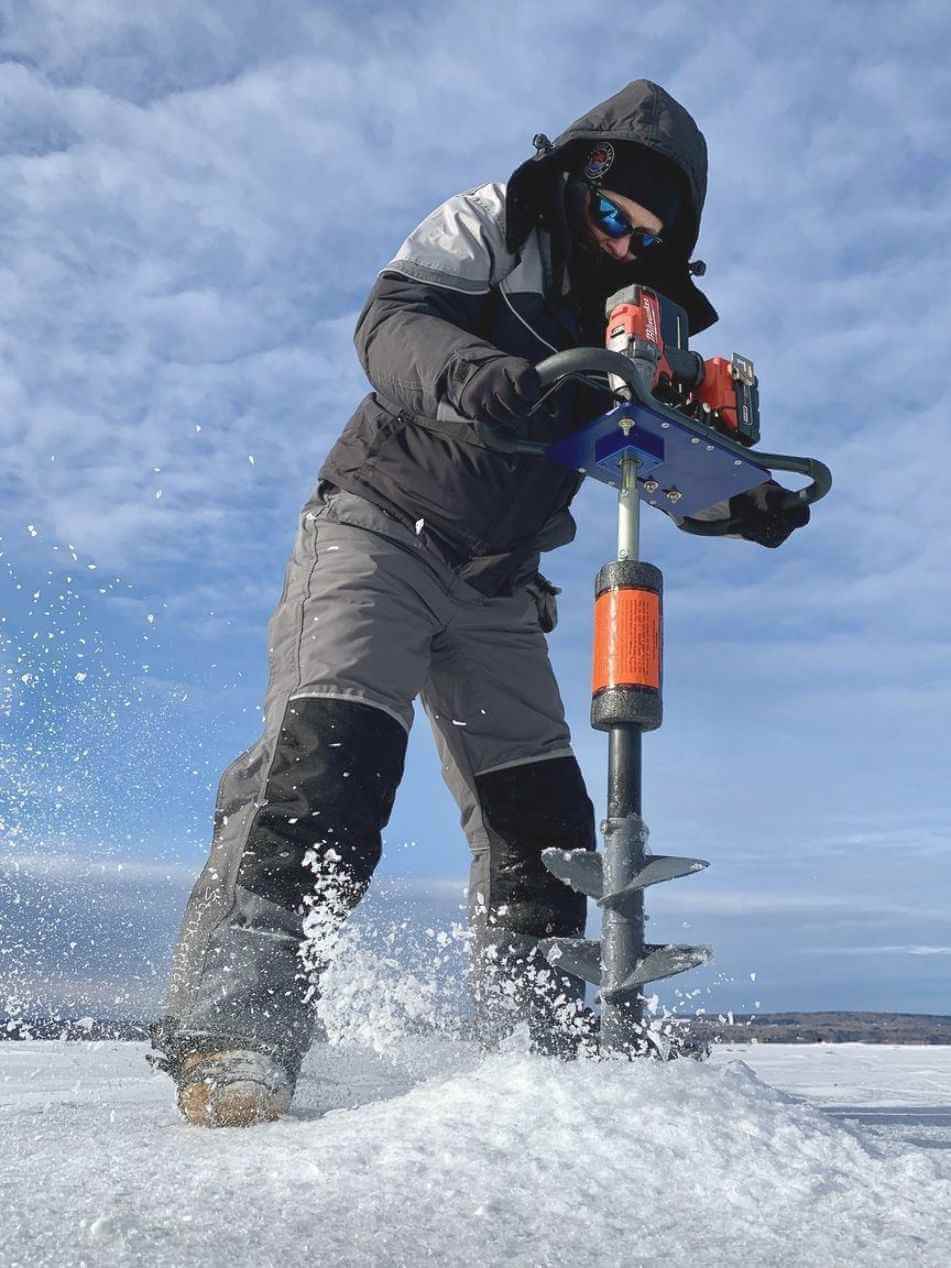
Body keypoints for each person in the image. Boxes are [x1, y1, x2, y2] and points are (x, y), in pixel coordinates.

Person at [149, 79, 808, 1127]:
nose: (622, 245)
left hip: (501, 581)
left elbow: (651, 458)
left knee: (544, 823)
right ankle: (237, 1028)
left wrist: (744, 497)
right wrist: (488, 378)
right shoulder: (490, 224)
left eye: (648, 237)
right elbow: (392, 323)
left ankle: (537, 1048)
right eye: (609, 217)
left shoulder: (649, 325)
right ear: (578, 182)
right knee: (330, 764)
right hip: (379, 525)